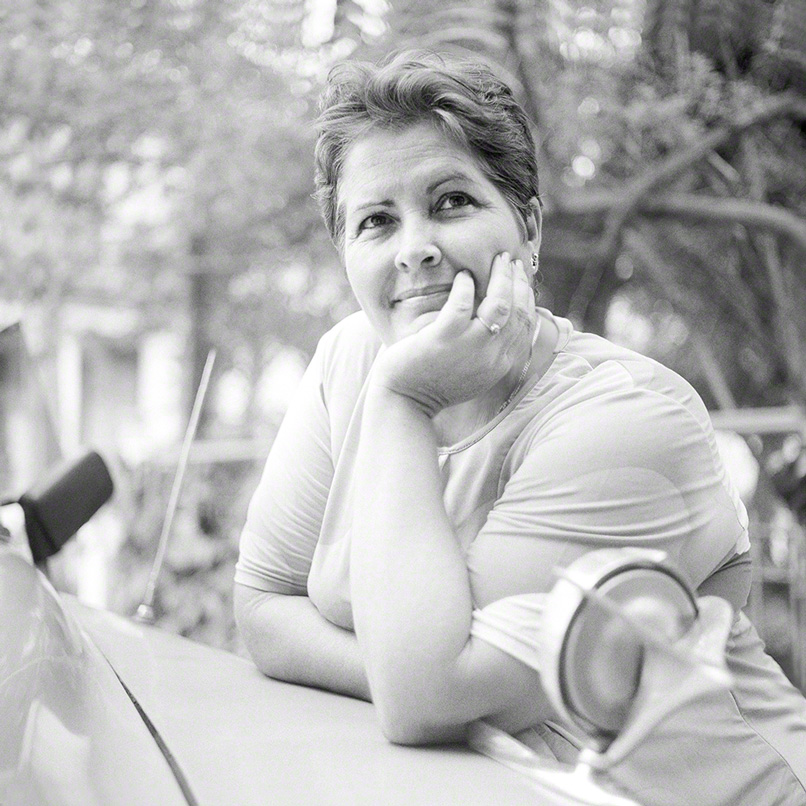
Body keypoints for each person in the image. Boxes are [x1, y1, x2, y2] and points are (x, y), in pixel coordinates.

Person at [234, 50, 806, 804]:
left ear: (528, 226)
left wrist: (404, 403)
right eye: (376, 221)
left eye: (450, 203)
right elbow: (264, 604)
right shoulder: (350, 361)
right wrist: (413, 673)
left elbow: (425, 698)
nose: (415, 250)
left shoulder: (631, 419)